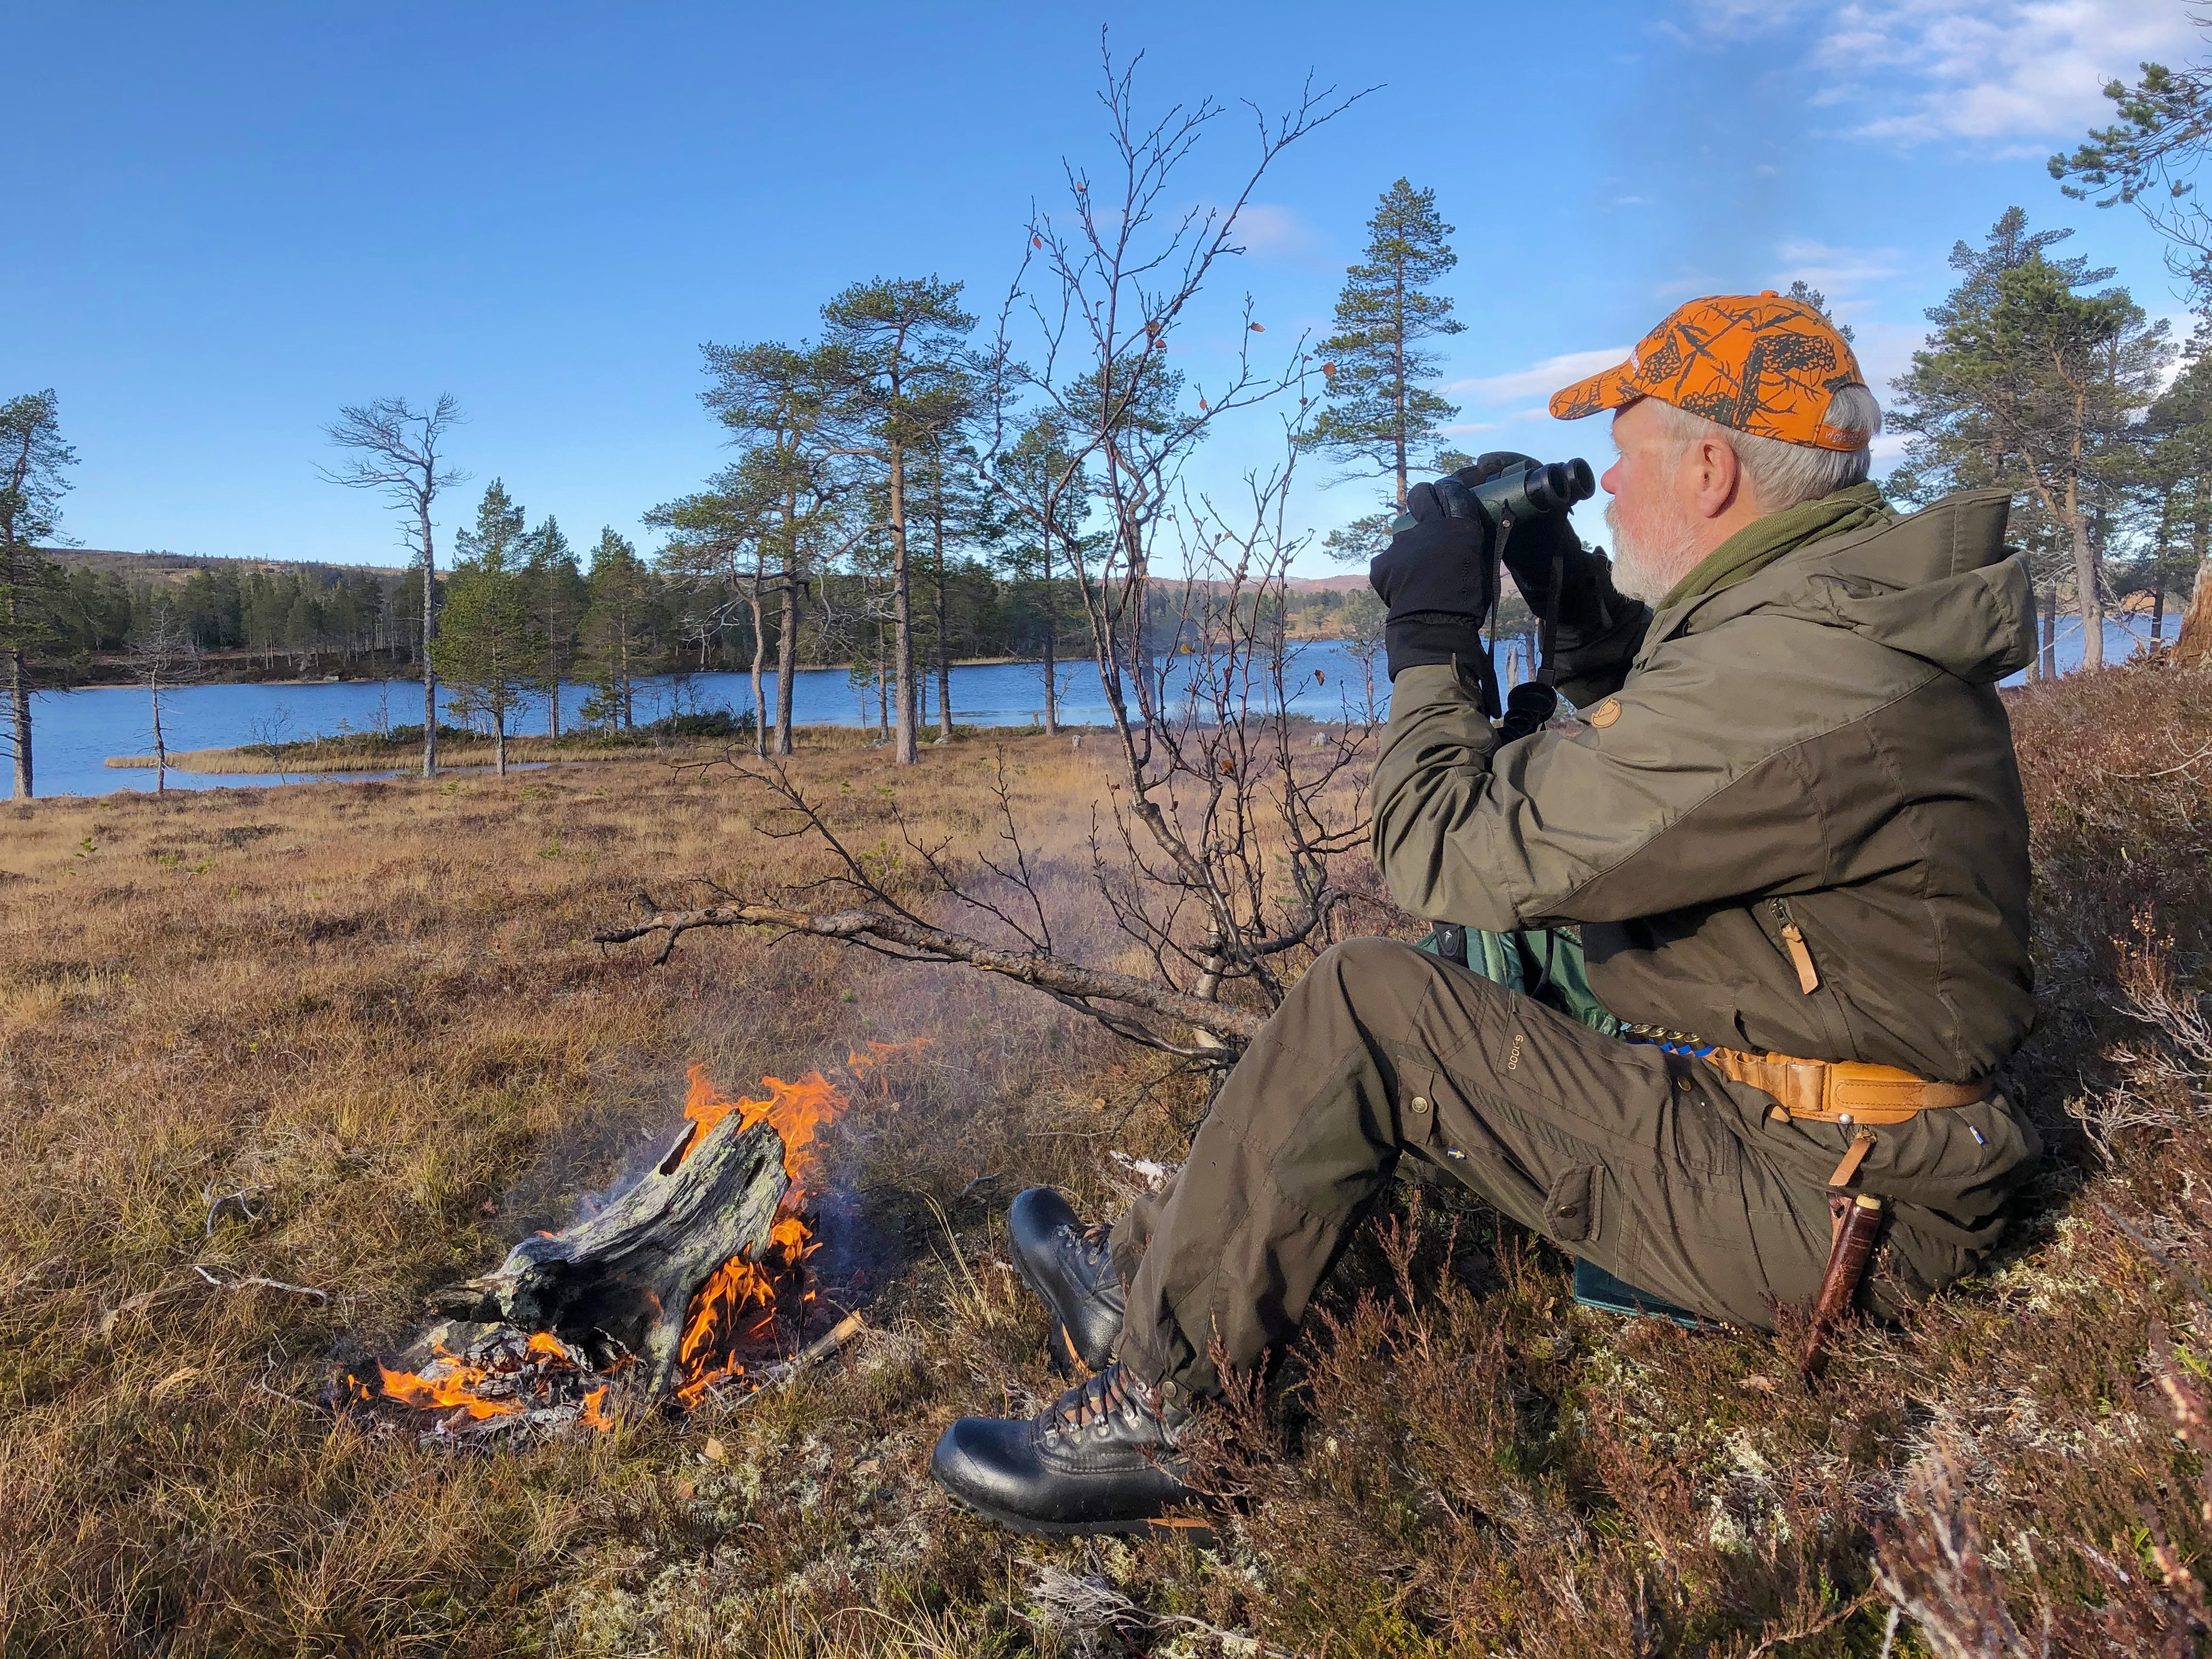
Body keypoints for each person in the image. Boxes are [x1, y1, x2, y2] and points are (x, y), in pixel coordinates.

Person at [929, 291, 2042, 1539]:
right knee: (1507, 946)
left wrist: (1429, 640)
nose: (1609, 480)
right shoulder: (1822, 614)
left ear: (1716, 469)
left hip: (1836, 1198)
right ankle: (1155, 1277)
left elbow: (1438, 850)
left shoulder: (1808, 664)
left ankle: (1170, 1415)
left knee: (1374, 1004)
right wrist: (1577, 603)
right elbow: (1712, 765)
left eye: (1629, 451)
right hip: (1825, 1118)